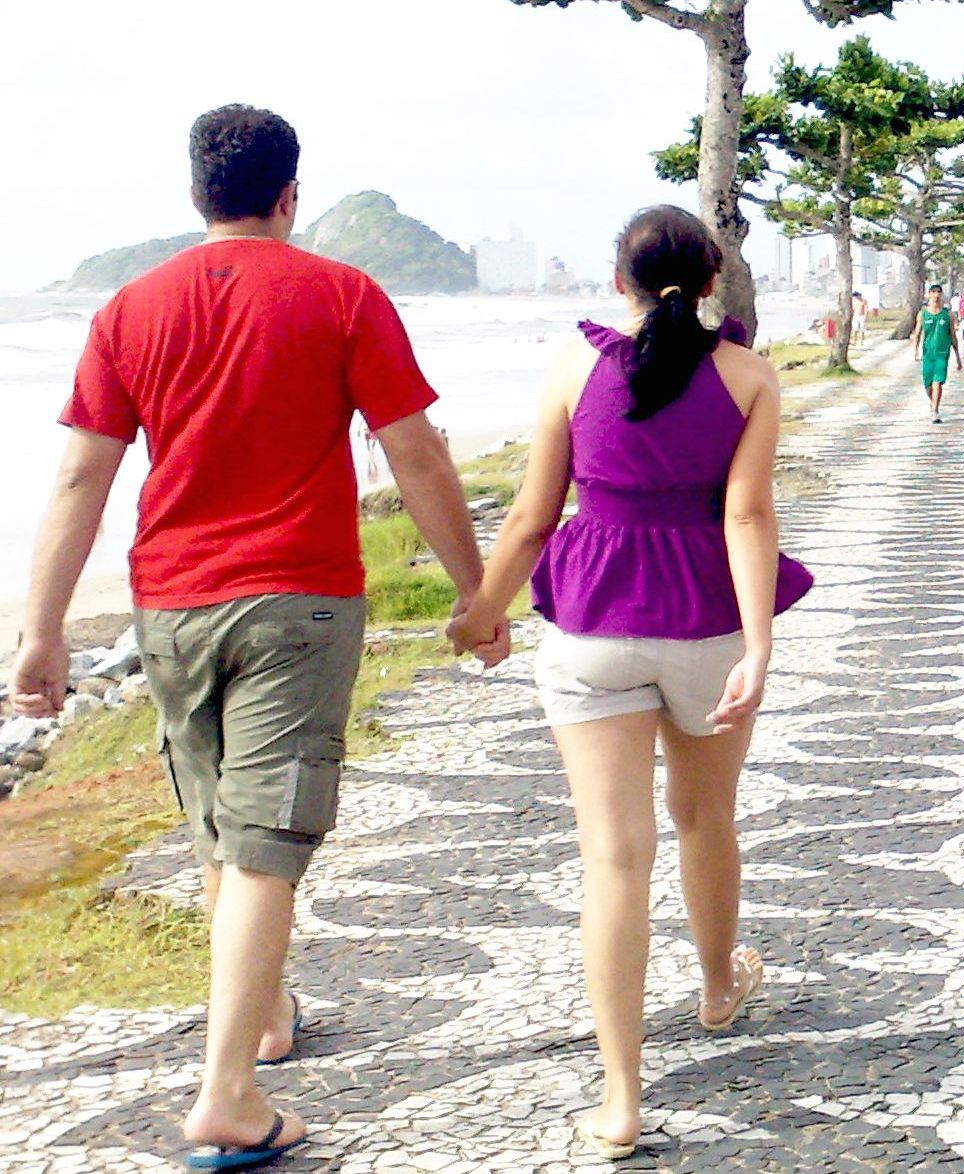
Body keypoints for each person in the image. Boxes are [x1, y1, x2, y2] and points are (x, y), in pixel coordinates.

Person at [10, 104, 490, 1171]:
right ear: (289, 194)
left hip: (170, 608)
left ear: (197, 194)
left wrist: (40, 633)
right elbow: (413, 451)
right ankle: (227, 1095)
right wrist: (477, 590)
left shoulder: (131, 309)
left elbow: (81, 478)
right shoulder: (342, 294)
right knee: (266, 842)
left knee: (224, 828)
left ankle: (265, 1015)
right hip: (299, 602)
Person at [446, 205, 813, 1161]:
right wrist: (759, 648)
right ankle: (720, 987)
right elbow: (747, 515)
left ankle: (619, 1099)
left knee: (614, 859)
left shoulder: (573, 368)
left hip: (594, 630)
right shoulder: (749, 376)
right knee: (706, 820)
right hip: (706, 626)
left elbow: (532, 518)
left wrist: (480, 613)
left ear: (620, 283)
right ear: (712, 280)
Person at [911, 282, 962, 424]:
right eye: (933, 292)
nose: (936, 295)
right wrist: (915, 351)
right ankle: (933, 402)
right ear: (929, 295)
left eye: (939, 292)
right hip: (928, 354)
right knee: (928, 385)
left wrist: (958, 357)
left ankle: (935, 410)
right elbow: (917, 333)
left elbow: (953, 336)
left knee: (937, 382)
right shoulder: (923, 314)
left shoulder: (948, 315)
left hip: (942, 354)